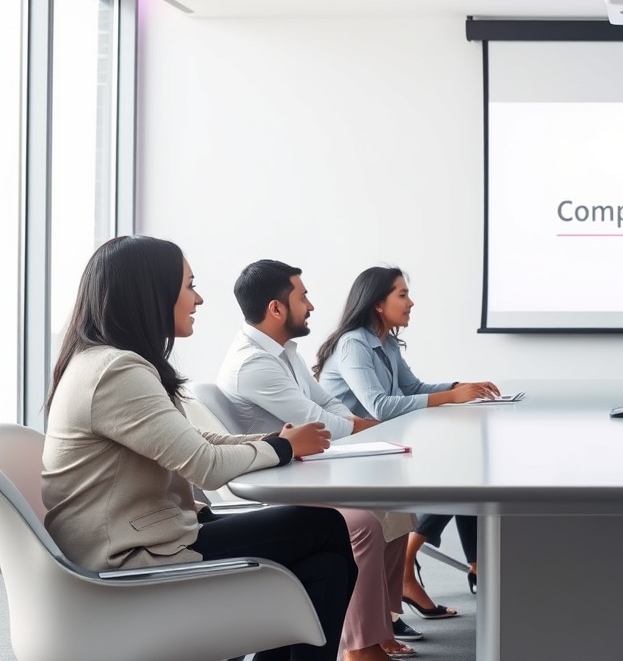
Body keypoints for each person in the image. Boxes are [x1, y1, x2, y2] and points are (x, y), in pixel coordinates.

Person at [41, 236, 353, 661]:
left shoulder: (105, 362)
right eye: (190, 285)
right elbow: (204, 466)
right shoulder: (116, 370)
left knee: (326, 568)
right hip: (126, 562)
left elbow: (194, 441)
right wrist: (282, 447)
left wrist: (276, 442)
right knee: (326, 528)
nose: (199, 298)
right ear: (152, 292)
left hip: (142, 541)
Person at [217, 259, 422, 661]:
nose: (311, 305)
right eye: (302, 296)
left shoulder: (283, 351)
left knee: (396, 508)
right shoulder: (253, 364)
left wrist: (363, 426)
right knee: (362, 523)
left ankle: (378, 627)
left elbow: (325, 402)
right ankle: (359, 646)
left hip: (308, 468)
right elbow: (321, 421)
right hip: (282, 482)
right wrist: (371, 428)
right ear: (276, 309)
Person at [315, 266, 498, 614]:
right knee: (459, 473)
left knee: (464, 470)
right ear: (377, 303)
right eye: (402, 294)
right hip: (352, 454)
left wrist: (460, 389)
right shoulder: (354, 344)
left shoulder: (385, 341)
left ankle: (419, 573)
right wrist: (451, 398)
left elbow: (412, 389)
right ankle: (412, 572)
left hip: (381, 447)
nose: (410, 302)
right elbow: (380, 406)